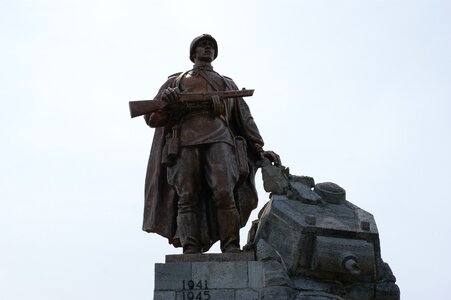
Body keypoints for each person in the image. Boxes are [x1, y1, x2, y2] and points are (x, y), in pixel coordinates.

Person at [142, 34, 280, 254]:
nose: (206, 49)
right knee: (186, 196)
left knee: (225, 192)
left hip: (219, 138)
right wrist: (168, 105)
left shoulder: (227, 83)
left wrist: (258, 148)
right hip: (184, 141)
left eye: (210, 46)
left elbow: (245, 118)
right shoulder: (175, 82)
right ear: (193, 52)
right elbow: (152, 118)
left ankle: (230, 244)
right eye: (202, 45)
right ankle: (190, 246)